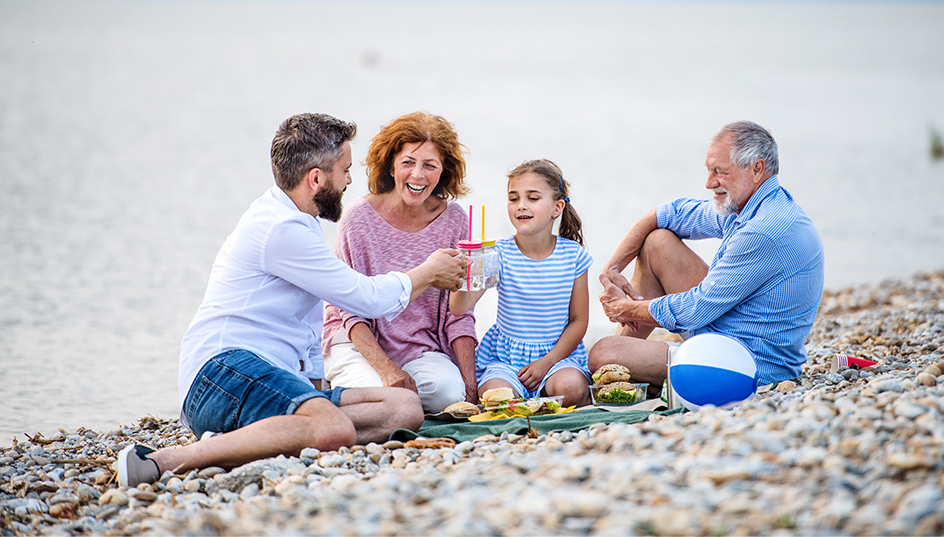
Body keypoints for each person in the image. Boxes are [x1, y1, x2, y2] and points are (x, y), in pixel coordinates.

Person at [116, 113, 467, 488]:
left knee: (404, 408)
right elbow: (364, 297)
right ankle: (161, 462)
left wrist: (316, 389)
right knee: (331, 428)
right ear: (316, 179)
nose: (350, 180)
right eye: (344, 170)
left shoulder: (301, 221)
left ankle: (259, 440)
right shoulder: (280, 229)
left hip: (275, 381)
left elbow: (307, 325)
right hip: (222, 374)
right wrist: (428, 272)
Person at [589, 120, 824, 390]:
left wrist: (625, 309)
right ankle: (619, 370)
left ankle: (621, 368)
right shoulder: (752, 204)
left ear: (757, 169)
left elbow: (695, 310)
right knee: (657, 242)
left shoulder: (763, 231)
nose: (709, 183)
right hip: (728, 331)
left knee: (602, 353)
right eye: (709, 171)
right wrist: (613, 268)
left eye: (719, 172)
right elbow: (670, 213)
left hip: (743, 364)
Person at [323, 112, 479, 412]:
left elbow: (459, 313)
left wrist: (468, 383)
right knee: (389, 401)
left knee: (449, 394)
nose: (418, 175)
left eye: (429, 165)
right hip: (357, 344)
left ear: (443, 170)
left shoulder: (455, 221)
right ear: (391, 165)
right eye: (408, 162)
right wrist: (387, 371)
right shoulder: (358, 218)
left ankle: (380, 401)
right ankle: (339, 392)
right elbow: (348, 309)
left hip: (420, 348)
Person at [451, 159, 592, 407]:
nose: (521, 206)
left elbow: (579, 321)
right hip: (506, 359)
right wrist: (465, 273)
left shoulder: (573, 255)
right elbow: (460, 308)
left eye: (533, 198)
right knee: (496, 398)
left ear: (557, 207)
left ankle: (544, 398)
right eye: (513, 198)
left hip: (557, 356)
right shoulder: (498, 254)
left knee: (571, 389)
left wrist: (546, 363)